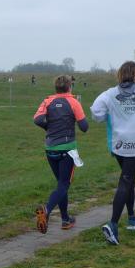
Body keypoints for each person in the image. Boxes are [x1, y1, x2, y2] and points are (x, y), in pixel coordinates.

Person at [91, 61, 135, 245]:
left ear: (120, 74)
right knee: (126, 180)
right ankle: (113, 224)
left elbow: (96, 113)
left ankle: (132, 218)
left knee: (129, 178)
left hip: (118, 143)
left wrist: (109, 116)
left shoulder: (109, 93)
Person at [33, 75, 89, 233]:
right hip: (67, 150)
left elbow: (37, 119)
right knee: (64, 185)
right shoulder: (74, 102)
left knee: (61, 184)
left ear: (56, 88)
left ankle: (65, 220)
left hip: (50, 149)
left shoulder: (47, 101)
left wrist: (49, 128)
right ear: (70, 87)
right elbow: (84, 127)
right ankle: (46, 210)